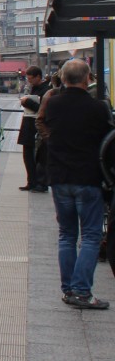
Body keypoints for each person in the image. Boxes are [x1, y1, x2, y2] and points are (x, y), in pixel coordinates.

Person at [43, 59, 115, 309]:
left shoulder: (53, 104)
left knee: (66, 235)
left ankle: (68, 289)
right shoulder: (98, 108)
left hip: (59, 178)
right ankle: (82, 291)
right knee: (91, 236)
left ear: (63, 79)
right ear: (87, 79)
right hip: (88, 178)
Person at [17, 66, 50, 192]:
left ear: (38, 77)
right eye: (28, 79)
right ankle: (31, 181)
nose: (29, 81)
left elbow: (42, 109)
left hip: (37, 127)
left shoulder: (46, 90)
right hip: (28, 124)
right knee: (27, 155)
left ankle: (41, 183)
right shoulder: (32, 88)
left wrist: (27, 102)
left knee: (39, 156)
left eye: (31, 79)